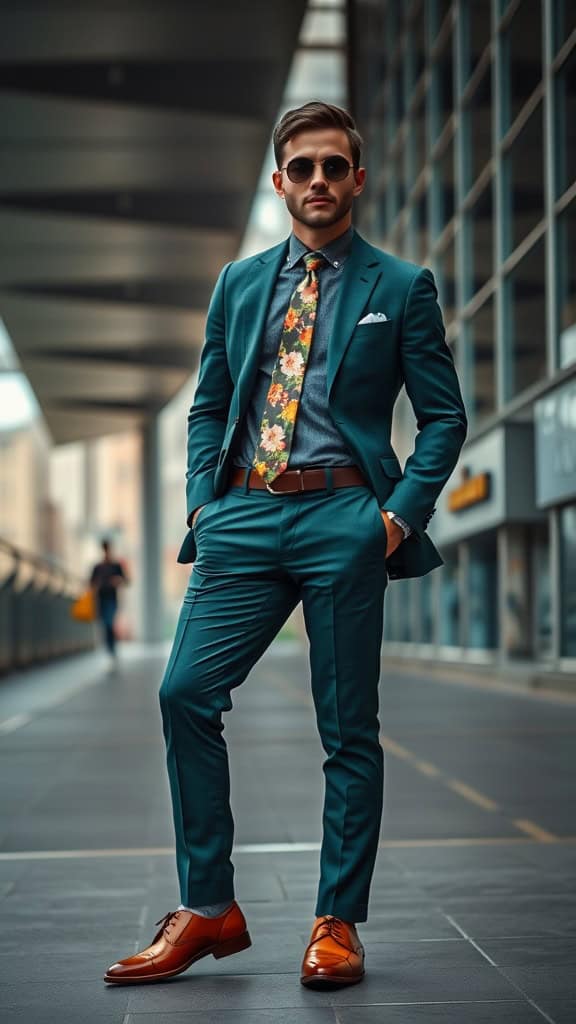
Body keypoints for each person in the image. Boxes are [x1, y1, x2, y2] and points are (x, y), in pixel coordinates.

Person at [105, 101, 467, 988]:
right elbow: (207, 403)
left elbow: (444, 416)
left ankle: (337, 921)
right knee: (184, 692)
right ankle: (208, 906)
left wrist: (395, 519)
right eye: (301, 167)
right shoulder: (238, 283)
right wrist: (201, 506)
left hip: (346, 520)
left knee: (348, 731)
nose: (317, 182)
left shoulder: (399, 286)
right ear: (279, 182)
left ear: (357, 179)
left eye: (333, 166)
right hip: (243, 519)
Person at [90, 539, 128, 664]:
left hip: (112, 599)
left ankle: (111, 651)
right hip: (100, 600)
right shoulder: (97, 567)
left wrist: (117, 580)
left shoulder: (115, 566)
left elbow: (126, 580)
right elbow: (91, 583)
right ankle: (110, 651)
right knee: (105, 626)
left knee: (109, 624)